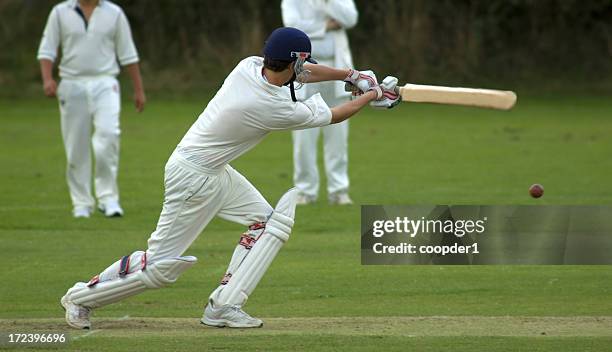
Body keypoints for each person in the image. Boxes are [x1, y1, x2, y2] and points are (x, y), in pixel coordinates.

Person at [58, 27, 400, 330]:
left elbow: (304, 72)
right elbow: (336, 114)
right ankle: (80, 298)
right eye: (301, 63)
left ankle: (223, 306)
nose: (304, 68)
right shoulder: (268, 105)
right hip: (192, 177)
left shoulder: (249, 65)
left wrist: (352, 74)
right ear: (292, 64)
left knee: (268, 224)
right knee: (159, 268)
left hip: (212, 170)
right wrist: (373, 94)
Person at [37, 0, 146, 218]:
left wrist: (138, 90)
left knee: (108, 136)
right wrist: (47, 79)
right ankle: (81, 203)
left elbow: (128, 54)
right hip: (71, 83)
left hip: (105, 82)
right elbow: (47, 50)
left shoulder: (114, 13)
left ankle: (108, 198)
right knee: (76, 145)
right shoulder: (60, 12)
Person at [281, 0, 358, 205]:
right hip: (305, 70)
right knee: (303, 135)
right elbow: (293, 26)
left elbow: (350, 19)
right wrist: (326, 25)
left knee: (338, 136)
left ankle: (339, 190)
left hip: (338, 69)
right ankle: (305, 191)